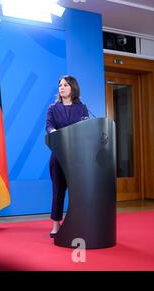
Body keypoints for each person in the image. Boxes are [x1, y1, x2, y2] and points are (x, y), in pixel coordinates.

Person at [45, 75, 89, 238]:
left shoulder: (82, 108)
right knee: (58, 191)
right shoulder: (53, 108)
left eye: (65, 85)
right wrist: (54, 132)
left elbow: (86, 127)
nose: (61, 87)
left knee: (78, 191)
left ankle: (78, 221)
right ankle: (56, 224)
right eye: (60, 85)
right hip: (59, 155)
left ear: (73, 88)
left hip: (77, 156)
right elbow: (49, 125)